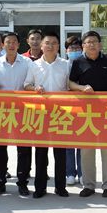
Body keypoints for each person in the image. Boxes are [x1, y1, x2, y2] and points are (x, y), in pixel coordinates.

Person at [24, 31, 71, 198]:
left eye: (54, 43)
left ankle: (60, 187)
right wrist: (34, 89)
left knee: (60, 153)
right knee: (41, 153)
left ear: (58, 46)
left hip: (61, 113)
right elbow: (26, 85)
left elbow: (70, 86)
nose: (50, 46)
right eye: (47, 43)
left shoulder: (66, 64)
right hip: (40, 113)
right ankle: (40, 187)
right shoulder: (34, 65)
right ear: (41, 46)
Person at [69, 31, 107, 198]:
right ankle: (88, 185)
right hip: (86, 113)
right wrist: (82, 88)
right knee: (86, 150)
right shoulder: (78, 62)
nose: (92, 45)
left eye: (95, 41)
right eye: (88, 42)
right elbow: (70, 83)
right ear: (83, 45)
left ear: (100, 44)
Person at [0, 32, 35, 197]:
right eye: (8, 42)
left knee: (24, 149)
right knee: (0, 148)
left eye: (14, 42)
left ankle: (22, 183)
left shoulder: (27, 63)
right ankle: (0, 182)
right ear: (3, 45)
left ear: (18, 45)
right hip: (2, 111)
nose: (11, 45)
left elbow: (30, 84)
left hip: (23, 110)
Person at [64, 36, 84, 186]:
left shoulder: (84, 63)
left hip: (82, 108)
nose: (74, 50)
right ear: (66, 50)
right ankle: (70, 173)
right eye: (71, 48)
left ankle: (82, 173)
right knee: (68, 143)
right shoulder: (62, 65)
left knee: (82, 143)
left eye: (77, 48)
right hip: (65, 108)